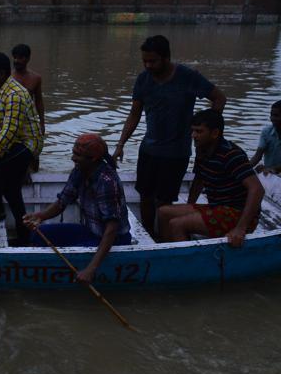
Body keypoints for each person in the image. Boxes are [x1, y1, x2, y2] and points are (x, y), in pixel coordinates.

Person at [113, 35, 227, 238]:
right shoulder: (143, 79)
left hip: (176, 152)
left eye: (153, 61)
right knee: (145, 197)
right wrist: (120, 144)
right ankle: (149, 235)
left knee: (164, 202)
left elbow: (219, 98)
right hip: (149, 150)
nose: (148, 65)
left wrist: (208, 131)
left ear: (166, 58)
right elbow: (134, 114)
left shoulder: (188, 76)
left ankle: (165, 239)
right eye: (144, 61)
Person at [23, 134, 132, 283]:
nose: (73, 158)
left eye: (78, 155)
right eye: (73, 153)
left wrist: (90, 269)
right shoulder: (79, 171)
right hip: (90, 230)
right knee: (39, 233)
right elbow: (63, 201)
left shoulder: (106, 182)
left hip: (114, 240)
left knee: (74, 252)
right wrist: (40, 216)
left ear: (93, 159)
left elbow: (112, 229)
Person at [157, 109, 264, 248]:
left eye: (199, 131)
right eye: (193, 131)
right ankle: (167, 252)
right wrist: (190, 205)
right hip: (217, 208)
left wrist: (240, 228)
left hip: (237, 213)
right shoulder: (202, 149)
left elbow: (257, 189)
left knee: (176, 224)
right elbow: (199, 180)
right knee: (163, 212)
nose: (193, 136)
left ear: (214, 133)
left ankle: (186, 264)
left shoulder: (231, 154)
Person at [0, 51, 43, 242]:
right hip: (14, 142)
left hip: (27, 144)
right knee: (12, 191)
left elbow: (9, 132)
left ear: (2, 73)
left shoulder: (14, 94)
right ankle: (24, 234)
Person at [11, 44, 45, 134]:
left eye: (20, 58)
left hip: (28, 120)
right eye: (14, 57)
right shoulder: (7, 78)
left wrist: (42, 123)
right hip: (10, 119)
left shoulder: (35, 78)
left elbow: (39, 102)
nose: (16, 61)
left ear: (28, 59)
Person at [249, 100, 281, 174]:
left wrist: (272, 169)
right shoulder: (266, 132)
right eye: (271, 115)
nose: (272, 118)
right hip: (269, 174)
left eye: (276, 115)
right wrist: (243, 169)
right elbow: (257, 156)